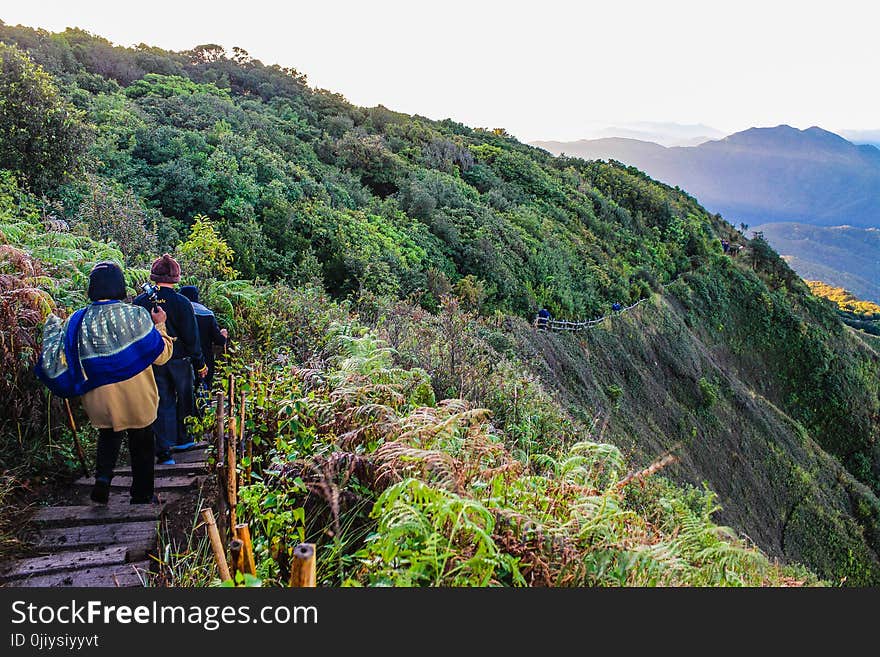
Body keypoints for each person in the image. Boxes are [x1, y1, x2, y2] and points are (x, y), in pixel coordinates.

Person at [37, 262, 173, 504]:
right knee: (141, 442)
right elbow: (161, 355)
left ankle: (102, 480)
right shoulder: (136, 315)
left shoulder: (77, 320)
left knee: (108, 436)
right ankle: (141, 495)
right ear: (120, 286)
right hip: (137, 396)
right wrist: (160, 324)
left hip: (98, 398)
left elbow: (66, 356)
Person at [134, 254, 206, 465]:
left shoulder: (141, 302)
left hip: (153, 360)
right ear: (175, 277)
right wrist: (199, 363)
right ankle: (184, 440)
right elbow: (192, 336)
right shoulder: (182, 302)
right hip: (180, 360)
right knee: (184, 397)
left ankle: (164, 449)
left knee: (161, 401)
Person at [179, 285, 228, 390]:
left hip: (182, 361)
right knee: (204, 393)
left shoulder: (178, 312)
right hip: (205, 360)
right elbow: (219, 341)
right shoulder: (207, 314)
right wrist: (223, 334)